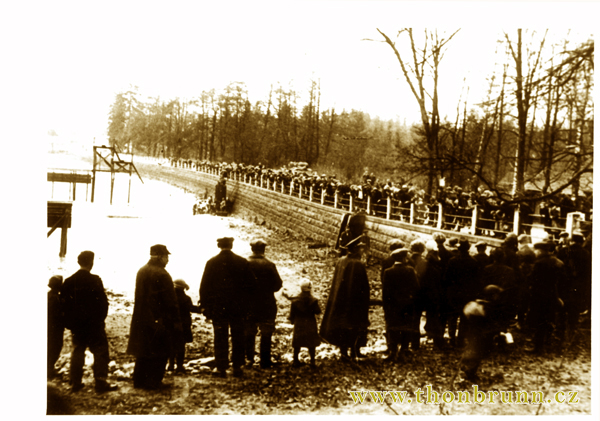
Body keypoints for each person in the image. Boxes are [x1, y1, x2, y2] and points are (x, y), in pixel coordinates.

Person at [199, 237, 257, 378]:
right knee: (238, 336)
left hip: (219, 308)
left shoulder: (211, 263)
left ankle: (221, 367)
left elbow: (204, 287)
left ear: (219, 245)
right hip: (238, 308)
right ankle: (237, 367)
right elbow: (252, 286)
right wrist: (248, 305)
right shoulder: (242, 262)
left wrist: (206, 306)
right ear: (231, 245)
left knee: (220, 336)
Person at [62, 251, 117, 393]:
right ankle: (100, 382)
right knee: (100, 351)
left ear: (78, 262)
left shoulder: (69, 281)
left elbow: (64, 306)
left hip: (77, 325)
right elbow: (103, 303)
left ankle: (75, 382)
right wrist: (100, 319)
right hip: (94, 324)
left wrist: (70, 323)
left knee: (77, 351)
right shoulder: (95, 280)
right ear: (91, 263)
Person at [128, 244, 181, 390]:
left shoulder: (142, 270)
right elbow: (170, 301)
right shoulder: (163, 274)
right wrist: (175, 321)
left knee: (143, 351)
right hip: (159, 319)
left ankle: (138, 381)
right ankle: (154, 381)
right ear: (160, 256)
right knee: (160, 351)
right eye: (166, 257)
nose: (167, 260)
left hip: (142, 317)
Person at [320, 235, 370, 360]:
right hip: (355, 301)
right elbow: (363, 285)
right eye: (361, 248)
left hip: (340, 299)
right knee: (355, 324)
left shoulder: (341, 260)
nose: (362, 250)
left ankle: (344, 352)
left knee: (342, 324)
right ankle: (354, 351)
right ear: (356, 249)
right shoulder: (357, 264)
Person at [244, 239, 283, 369]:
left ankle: (248, 359)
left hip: (249, 303)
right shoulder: (269, 264)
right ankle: (265, 361)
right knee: (266, 331)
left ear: (252, 249)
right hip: (267, 303)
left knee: (249, 330)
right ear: (263, 250)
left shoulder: (245, 264)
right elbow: (278, 285)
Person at [527, 238, 565, 354]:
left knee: (539, 321)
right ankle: (548, 342)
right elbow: (562, 281)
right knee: (550, 319)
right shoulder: (558, 262)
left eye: (537, 250)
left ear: (543, 251)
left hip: (539, 296)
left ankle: (538, 347)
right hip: (553, 295)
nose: (536, 252)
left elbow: (532, 280)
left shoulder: (539, 263)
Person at [382, 248, 420, 361]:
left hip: (393, 305)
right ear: (404, 258)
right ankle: (403, 351)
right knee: (406, 327)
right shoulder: (410, 270)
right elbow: (416, 288)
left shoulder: (388, 272)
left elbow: (385, 292)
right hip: (407, 304)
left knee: (392, 327)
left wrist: (386, 306)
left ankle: (393, 352)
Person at [461, 285, 504, 381]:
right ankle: (470, 372)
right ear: (492, 296)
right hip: (482, 335)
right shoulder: (488, 307)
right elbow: (490, 322)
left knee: (475, 351)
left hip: (475, 333)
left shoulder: (477, 304)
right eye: (496, 295)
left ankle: (468, 367)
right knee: (478, 353)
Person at [444, 239, 480, 348]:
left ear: (459, 249)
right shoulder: (473, 262)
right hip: (468, 293)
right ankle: (460, 339)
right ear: (468, 249)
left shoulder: (452, 261)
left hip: (454, 292)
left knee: (453, 316)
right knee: (464, 317)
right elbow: (476, 280)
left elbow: (446, 278)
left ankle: (451, 338)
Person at [168, 280, 201, 374]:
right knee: (181, 346)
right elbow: (191, 308)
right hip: (184, 325)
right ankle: (179, 366)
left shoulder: (170, 298)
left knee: (171, 345)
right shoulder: (186, 298)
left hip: (172, 325)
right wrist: (201, 309)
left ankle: (170, 365)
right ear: (183, 288)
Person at [289, 280, 322, 368]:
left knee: (297, 343)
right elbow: (318, 311)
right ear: (310, 288)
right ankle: (312, 361)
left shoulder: (295, 300)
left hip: (299, 323)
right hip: (310, 323)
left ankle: (295, 360)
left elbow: (292, 314)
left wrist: (292, 321)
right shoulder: (313, 300)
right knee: (311, 344)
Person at [48, 275, 64, 379]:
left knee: (50, 348)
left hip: (49, 327)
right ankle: (49, 370)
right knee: (55, 348)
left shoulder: (48, 296)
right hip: (55, 328)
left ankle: (49, 369)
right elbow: (59, 314)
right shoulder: (56, 299)